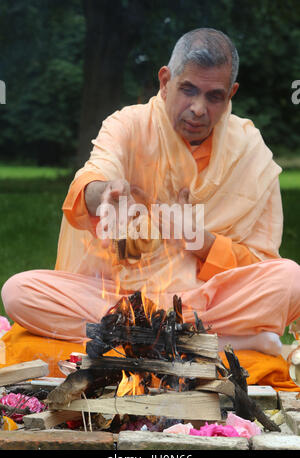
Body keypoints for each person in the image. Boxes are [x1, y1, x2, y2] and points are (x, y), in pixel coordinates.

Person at [2, 28, 300, 357]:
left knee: (291, 279)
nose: (198, 108)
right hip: (122, 298)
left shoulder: (248, 150)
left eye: (214, 96)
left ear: (231, 94)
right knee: (19, 292)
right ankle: (227, 342)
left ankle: (135, 340)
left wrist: (201, 243)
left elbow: (258, 262)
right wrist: (103, 194)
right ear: (165, 80)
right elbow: (92, 177)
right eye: (188, 90)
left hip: (205, 299)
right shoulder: (128, 125)